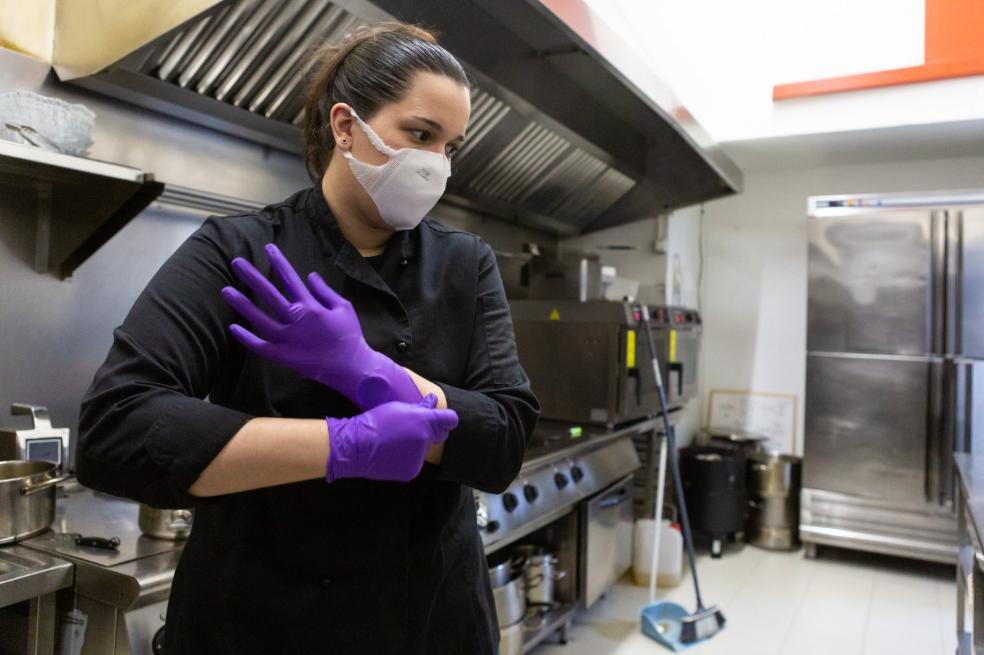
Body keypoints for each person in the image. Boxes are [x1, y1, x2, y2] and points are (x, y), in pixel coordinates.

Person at [76, 22, 539, 655]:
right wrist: (342, 444)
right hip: (258, 621)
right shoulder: (239, 251)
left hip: (425, 618)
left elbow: (506, 438)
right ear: (346, 126)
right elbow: (116, 429)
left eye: (451, 148)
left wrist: (371, 374)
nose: (436, 166)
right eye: (421, 135)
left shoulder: (464, 264)